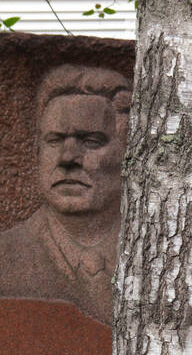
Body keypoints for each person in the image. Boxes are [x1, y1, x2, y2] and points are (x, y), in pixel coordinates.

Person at [0, 64, 131, 325]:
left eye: (91, 141)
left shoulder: (164, 258)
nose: (68, 158)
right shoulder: (5, 255)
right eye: (55, 140)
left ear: (128, 153)